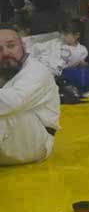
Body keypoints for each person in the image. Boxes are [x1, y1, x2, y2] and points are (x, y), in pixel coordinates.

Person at [0, 26, 60, 166]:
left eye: (11, 46)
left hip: (35, 142)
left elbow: (12, 102)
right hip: (9, 142)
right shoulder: (5, 69)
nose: (6, 52)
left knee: (8, 112)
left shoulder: (37, 71)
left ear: (23, 45)